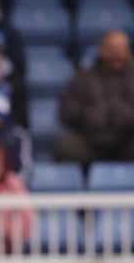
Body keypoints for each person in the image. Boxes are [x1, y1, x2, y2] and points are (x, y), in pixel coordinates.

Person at [57, 29, 134, 169]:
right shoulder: (82, 78)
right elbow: (65, 113)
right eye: (112, 48)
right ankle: (78, 187)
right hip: (91, 141)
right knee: (66, 146)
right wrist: (88, 115)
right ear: (101, 50)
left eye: (121, 49)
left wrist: (122, 114)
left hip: (127, 140)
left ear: (128, 51)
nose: (117, 54)